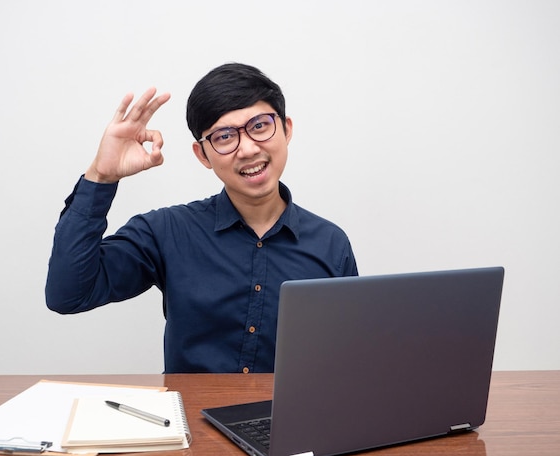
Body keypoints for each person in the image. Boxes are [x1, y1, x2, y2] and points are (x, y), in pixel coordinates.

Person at [45, 63, 358, 373]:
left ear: (286, 129)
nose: (247, 149)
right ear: (202, 155)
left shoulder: (330, 244)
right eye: (224, 137)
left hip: (289, 421)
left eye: (260, 126)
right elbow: (68, 294)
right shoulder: (166, 232)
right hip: (190, 421)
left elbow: (348, 361)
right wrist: (101, 175)